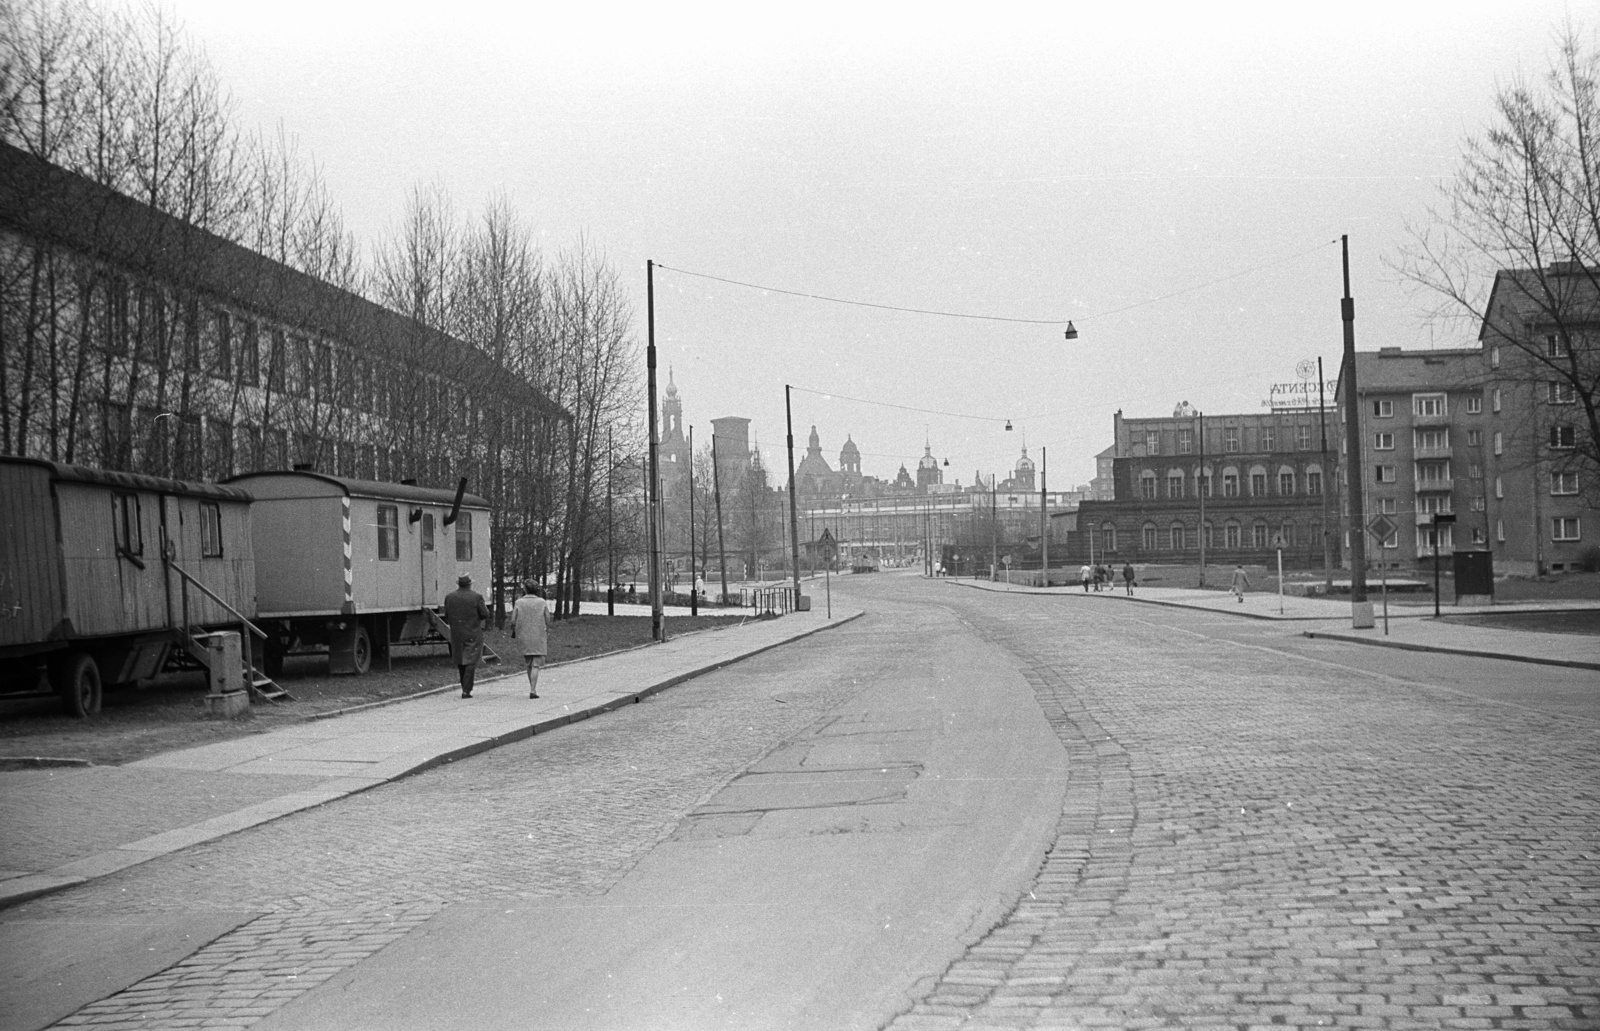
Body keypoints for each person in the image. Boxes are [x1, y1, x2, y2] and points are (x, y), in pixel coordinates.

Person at [442, 573, 490, 697]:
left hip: (456, 633)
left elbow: (446, 614)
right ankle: (466, 690)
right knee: (471, 660)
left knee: (460, 659)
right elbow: (485, 614)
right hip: (473, 631)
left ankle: (464, 686)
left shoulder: (449, 597)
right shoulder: (476, 597)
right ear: (470, 584)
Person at [510, 581, 552, 698]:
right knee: (536, 664)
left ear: (525, 589)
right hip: (538, 635)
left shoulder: (519, 602)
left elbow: (513, 620)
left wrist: (515, 628)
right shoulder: (542, 602)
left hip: (523, 635)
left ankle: (532, 687)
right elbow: (548, 620)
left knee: (528, 663)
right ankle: (533, 690)